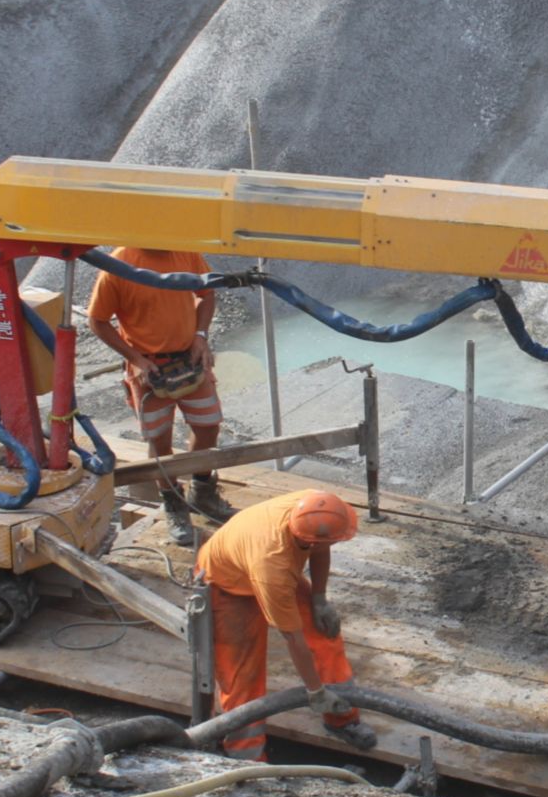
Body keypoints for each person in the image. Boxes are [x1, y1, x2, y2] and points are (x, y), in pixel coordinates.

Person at [195, 488, 378, 759]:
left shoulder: (313, 508)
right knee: (243, 675)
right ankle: (247, 757)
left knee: (324, 635)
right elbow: (294, 640)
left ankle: (342, 718)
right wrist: (314, 692)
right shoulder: (274, 567)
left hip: (257, 563)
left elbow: (321, 547)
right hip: (227, 584)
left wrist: (319, 599)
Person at [86, 246, 233, 543]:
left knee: (208, 426)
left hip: (190, 358)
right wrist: (137, 360)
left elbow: (207, 292)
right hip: (150, 367)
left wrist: (200, 336)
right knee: (159, 438)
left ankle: (202, 492)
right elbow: (98, 321)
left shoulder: (186, 252)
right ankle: (174, 505)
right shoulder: (118, 266)